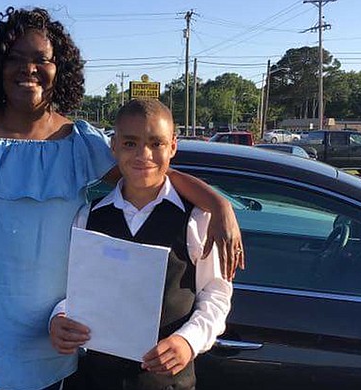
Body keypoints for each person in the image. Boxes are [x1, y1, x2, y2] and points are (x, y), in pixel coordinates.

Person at [0, 7, 243, 390]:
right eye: (14, 58)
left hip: (49, 329)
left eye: (40, 60)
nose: (27, 69)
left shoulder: (80, 143)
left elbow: (145, 170)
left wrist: (218, 204)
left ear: (59, 68)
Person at [49, 99, 233, 390]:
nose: (143, 155)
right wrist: (59, 317)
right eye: (130, 143)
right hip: (96, 379)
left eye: (156, 143)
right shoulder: (89, 215)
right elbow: (72, 288)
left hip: (167, 383)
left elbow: (215, 293)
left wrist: (188, 340)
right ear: (114, 145)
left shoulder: (196, 218)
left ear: (173, 146)